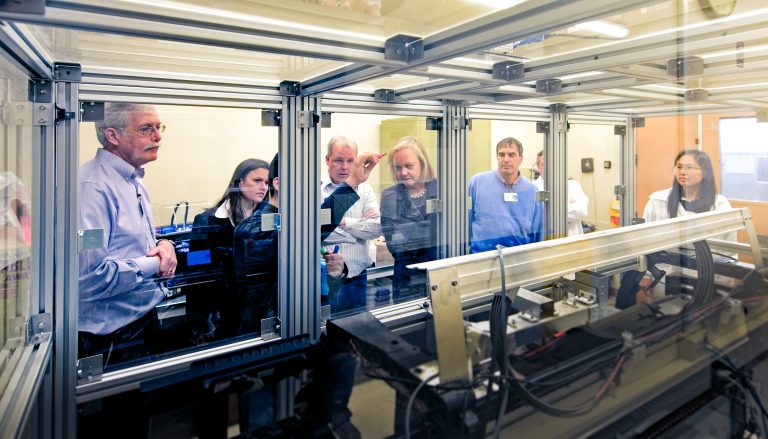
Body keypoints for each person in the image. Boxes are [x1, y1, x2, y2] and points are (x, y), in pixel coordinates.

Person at [78, 102, 177, 368]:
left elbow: (131, 244)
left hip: (140, 323)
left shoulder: (133, 180)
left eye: (159, 128)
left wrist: (163, 245)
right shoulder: (92, 189)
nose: (158, 137)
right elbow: (89, 278)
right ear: (113, 135)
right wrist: (156, 264)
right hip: (110, 338)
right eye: (147, 129)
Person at [616, 149, 736, 309]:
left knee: (700, 323)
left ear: (705, 172)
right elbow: (644, 241)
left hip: (704, 279)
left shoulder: (720, 205)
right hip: (665, 276)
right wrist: (646, 274)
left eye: (689, 167)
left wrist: (727, 281)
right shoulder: (658, 201)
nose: (682, 172)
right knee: (665, 319)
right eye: (679, 167)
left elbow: (730, 247)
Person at [188, 158, 270, 340]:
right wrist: (200, 322)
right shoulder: (207, 221)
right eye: (257, 181)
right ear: (239, 182)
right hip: (222, 314)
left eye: (266, 182)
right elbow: (196, 273)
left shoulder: (270, 216)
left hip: (261, 309)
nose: (263, 187)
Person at [321, 135, 382, 313]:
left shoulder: (365, 190)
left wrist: (341, 221)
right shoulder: (314, 189)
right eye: (339, 160)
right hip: (328, 280)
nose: (345, 167)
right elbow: (317, 231)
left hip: (358, 277)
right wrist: (357, 231)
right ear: (327, 160)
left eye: (350, 161)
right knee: (327, 334)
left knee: (357, 333)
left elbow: (376, 229)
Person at [380, 136, 439, 303]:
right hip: (405, 275)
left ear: (422, 163)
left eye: (409, 166)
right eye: (398, 167)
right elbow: (391, 242)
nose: (403, 173)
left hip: (439, 272)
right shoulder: (389, 196)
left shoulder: (442, 190)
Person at [468, 137, 544, 253]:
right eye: (501, 154)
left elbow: (537, 234)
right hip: (481, 259)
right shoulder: (477, 183)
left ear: (521, 159)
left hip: (518, 260)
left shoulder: (532, 191)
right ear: (497, 157)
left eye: (511, 155)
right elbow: (465, 223)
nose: (506, 159)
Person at [533, 150, 590, 236]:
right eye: (544, 164)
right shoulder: (532, 188)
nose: (548, 167)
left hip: (571, 241)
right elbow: (533, 217)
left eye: (552, 163)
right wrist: (566, 208)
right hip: (543, 240)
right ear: (538, 167)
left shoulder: (573, 185)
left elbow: (581, 211)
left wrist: (547, 212)